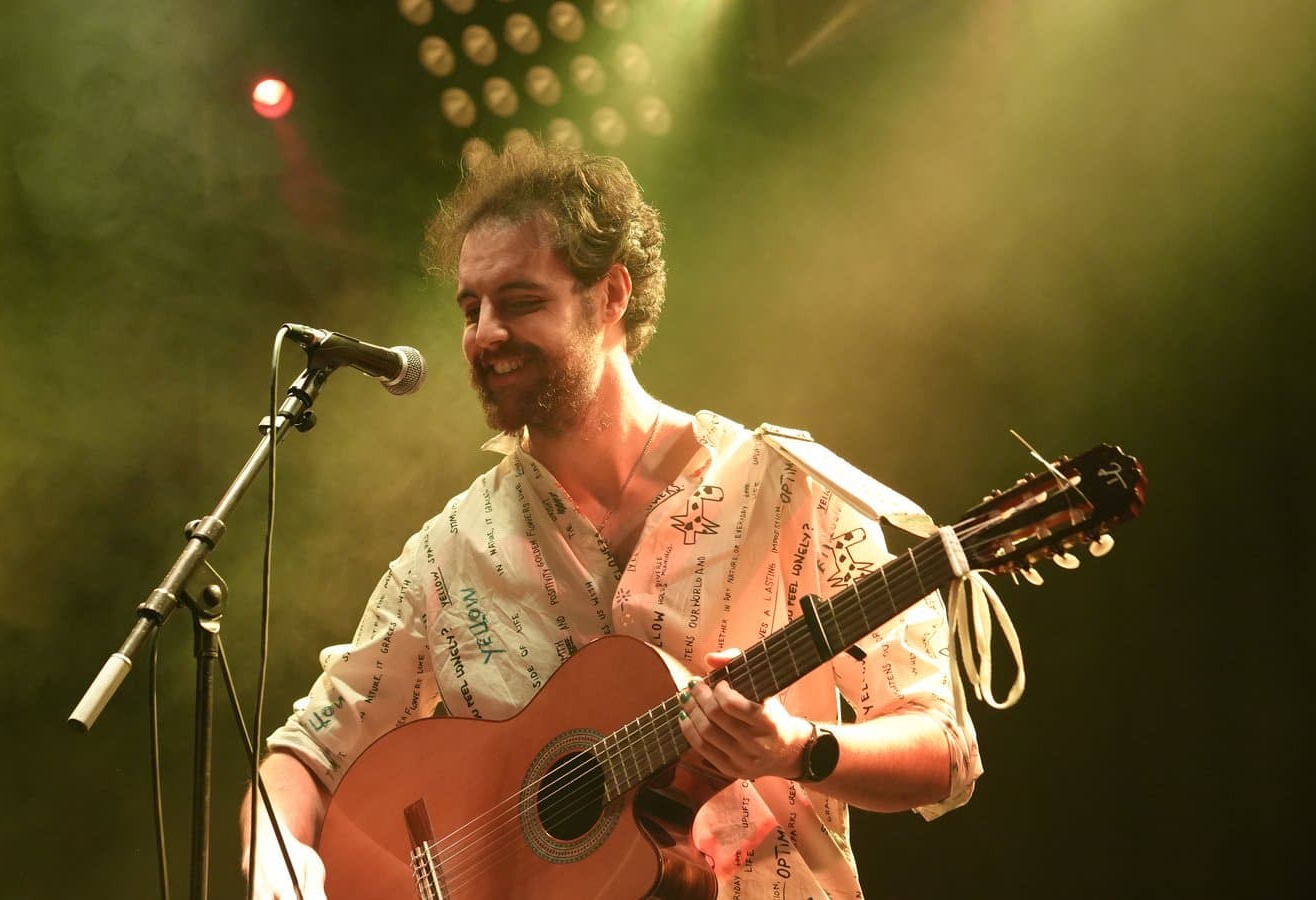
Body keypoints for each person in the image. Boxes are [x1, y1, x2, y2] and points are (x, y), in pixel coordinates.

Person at [240, 142, 981, 899]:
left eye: (520, 301)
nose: (485, 333)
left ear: (612, 295)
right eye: (470, 309)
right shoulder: (447, 553)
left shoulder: (784, 486)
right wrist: (276, 861)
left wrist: (797, 750)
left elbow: (944, 750)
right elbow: (305, 755)